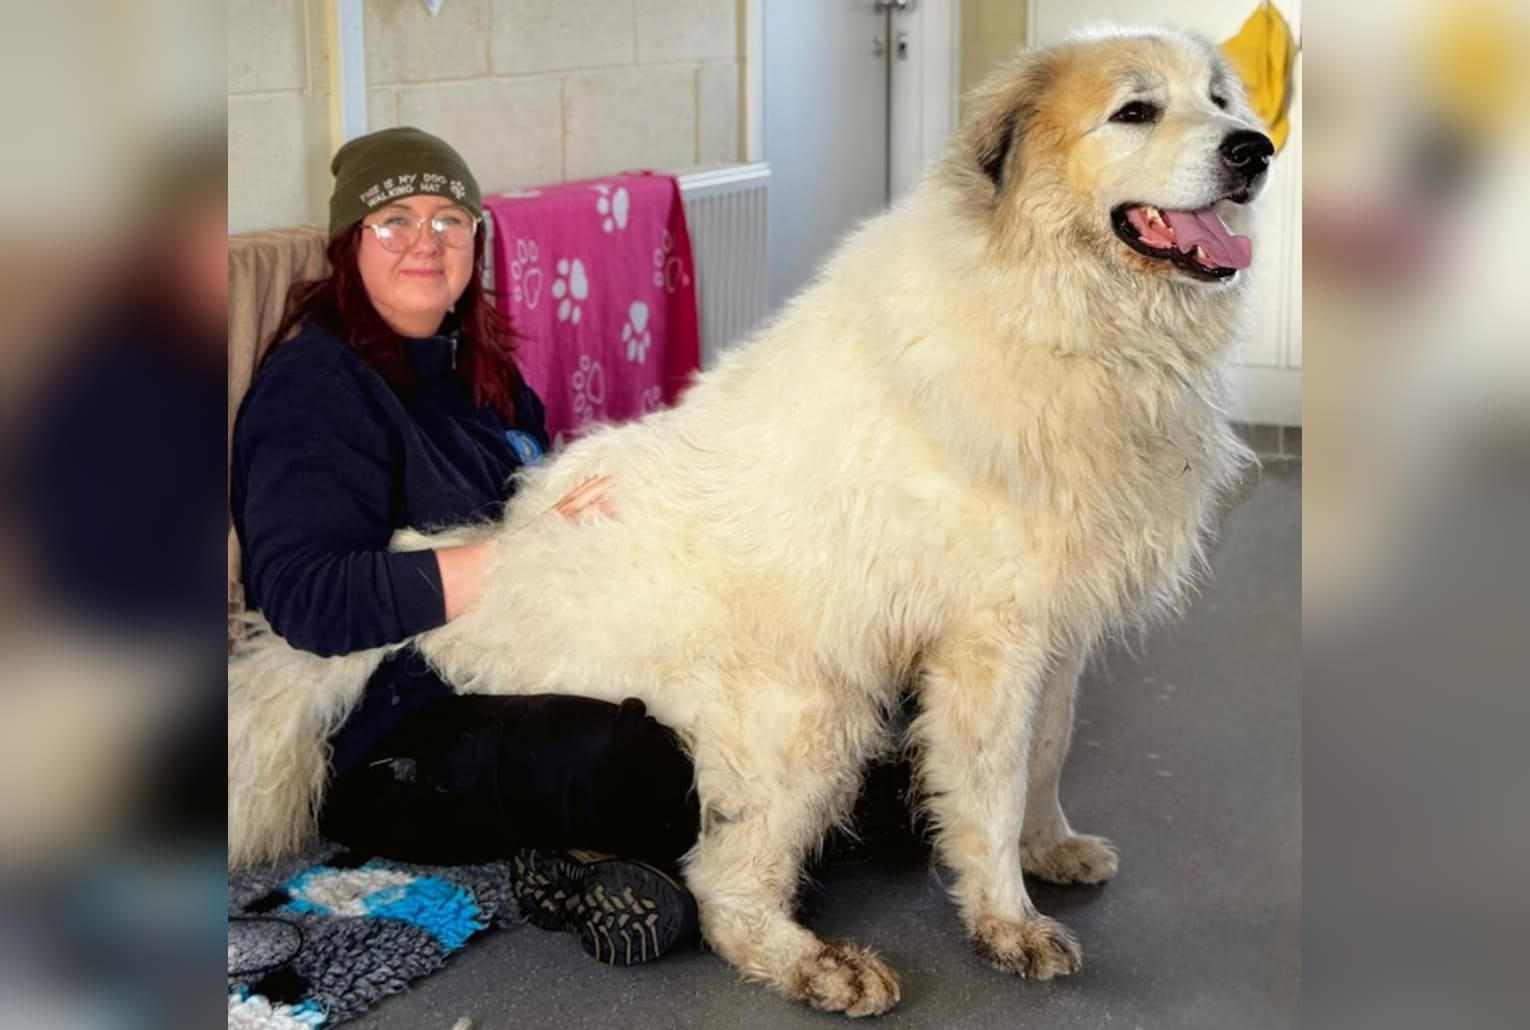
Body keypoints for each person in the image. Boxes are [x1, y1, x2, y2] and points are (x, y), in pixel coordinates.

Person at [228, 128, 701, 965]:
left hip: (519, 659)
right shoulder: (316, 389)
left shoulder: (483, 371)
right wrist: (528, 549)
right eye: (395, 221)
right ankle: (615, 850)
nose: (427, 242)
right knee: (640, 755)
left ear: (475, 241)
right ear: (349, 243)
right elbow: (308, 600)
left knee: (743, 695)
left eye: (450, 219)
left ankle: (596, 865)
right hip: (390, 726)